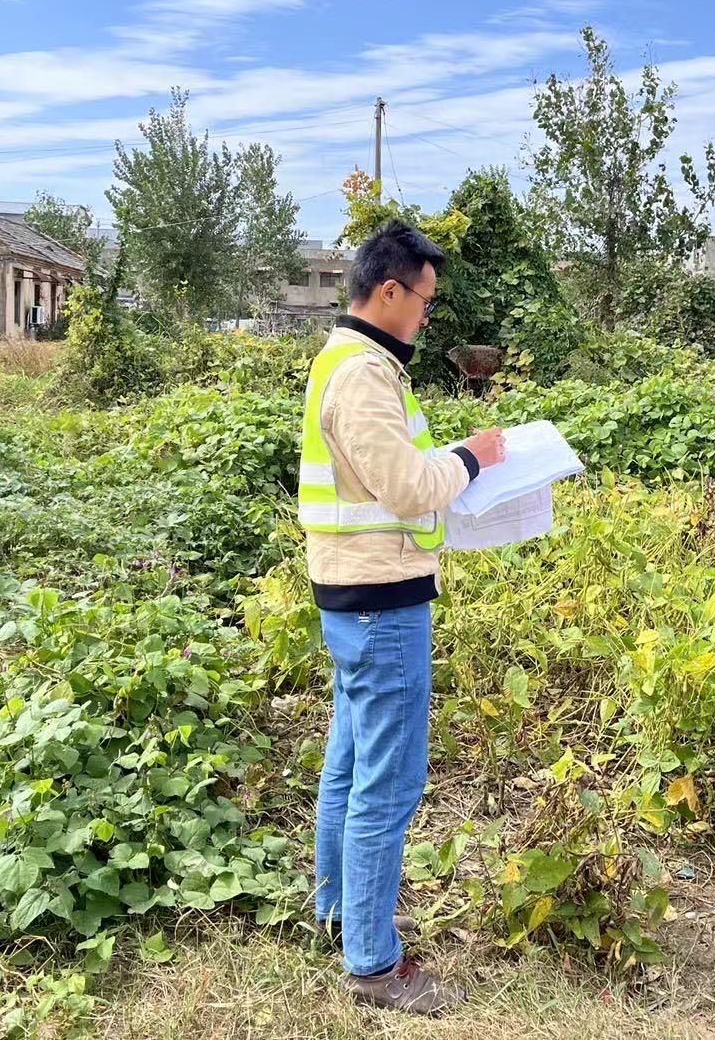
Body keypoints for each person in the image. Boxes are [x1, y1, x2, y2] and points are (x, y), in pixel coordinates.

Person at [299, 219, 505, 1014]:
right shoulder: (363, 374)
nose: (427, 315)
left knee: (350, 763)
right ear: (389, 291)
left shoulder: (349, 362)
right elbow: (410, 489)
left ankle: (341, 912)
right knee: (387, 783)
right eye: (423, 300)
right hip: (381, 602)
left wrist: (443, 462)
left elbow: (387, 474)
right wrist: (473, 459)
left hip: (353, 595)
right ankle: (376, 964)